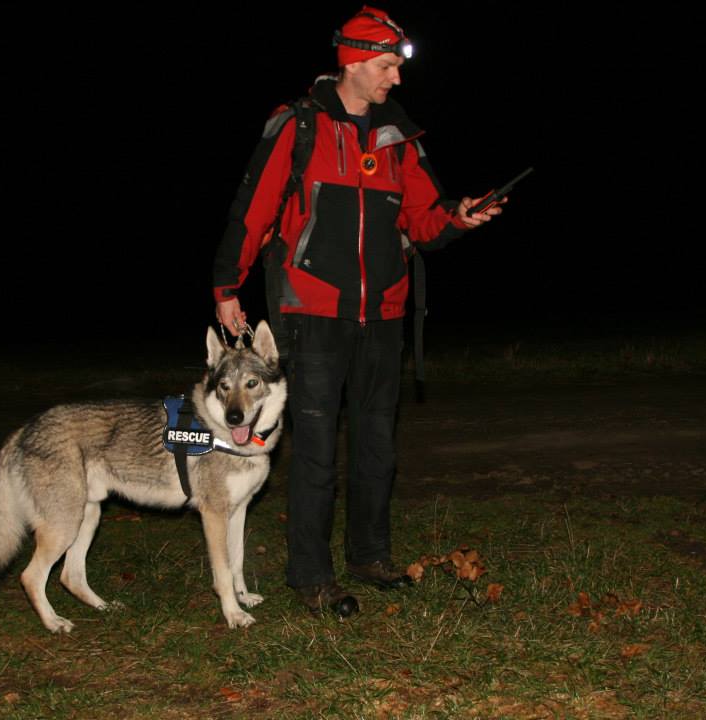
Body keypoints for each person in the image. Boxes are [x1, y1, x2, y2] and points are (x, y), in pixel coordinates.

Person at [213, 6, 503, 617]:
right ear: (352, 63)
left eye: (397, 65)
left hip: (384, 312)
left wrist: (459, 216)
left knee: (378, 445)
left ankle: (369, 556)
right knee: (315, 447)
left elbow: (420, 220)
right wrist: (226, 285)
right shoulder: (299, 128)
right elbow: (254, 208)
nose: (395, 78)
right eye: (386, 65)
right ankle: (310, 576)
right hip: (312, 310)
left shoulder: (401, 137)